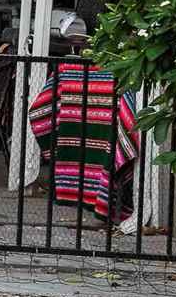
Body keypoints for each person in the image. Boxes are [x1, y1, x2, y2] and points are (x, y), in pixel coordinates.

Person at [26, 13, 138, 217]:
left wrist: (53, 150)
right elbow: (39, 110)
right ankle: (101, 196)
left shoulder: (68, 72)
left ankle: (76, 186)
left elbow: (40, 111)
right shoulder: (111, 73)